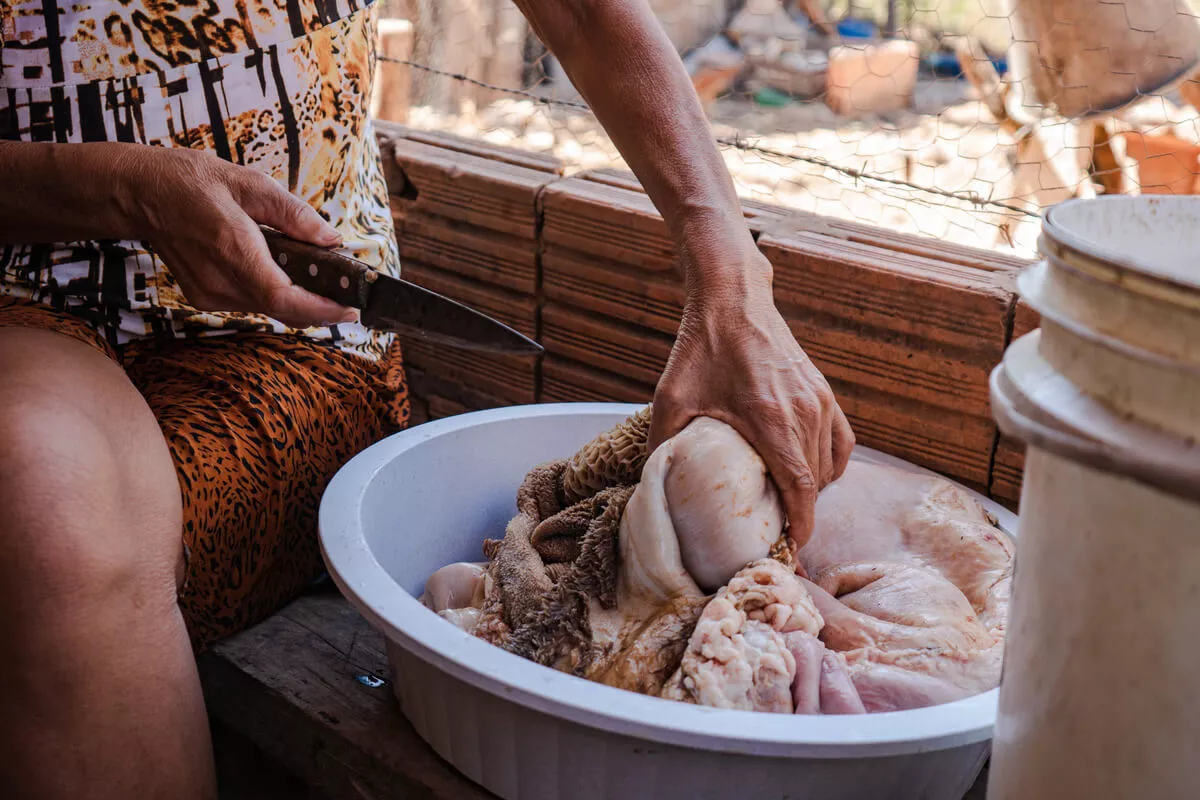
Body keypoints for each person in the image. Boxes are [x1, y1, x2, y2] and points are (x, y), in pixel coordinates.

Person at [0, 0, 854, 795]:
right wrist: (120, 186)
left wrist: (731, 276)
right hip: (22, 307)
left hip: (289, 328)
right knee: (39, 479)